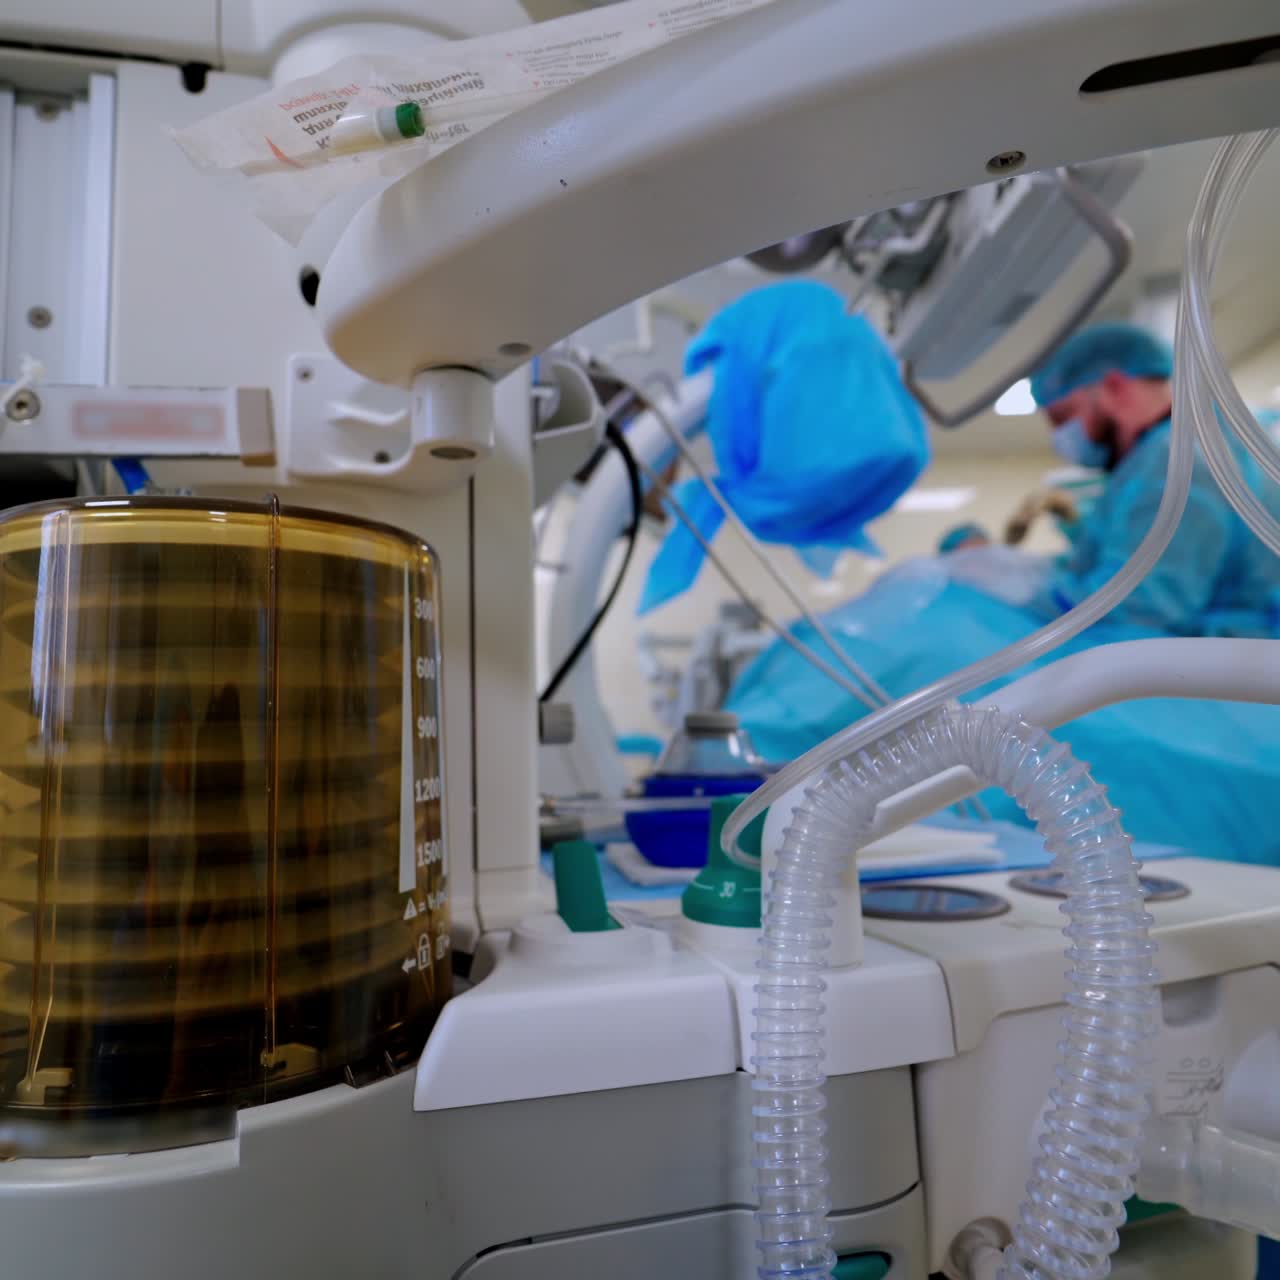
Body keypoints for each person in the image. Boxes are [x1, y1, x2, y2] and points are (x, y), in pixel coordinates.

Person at [1028, 321, 1280, 636]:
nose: (1059, 436)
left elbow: (1137, 609)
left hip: (1234, 670)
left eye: (1063, 417)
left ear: (1115, 388)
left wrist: (1025, 590)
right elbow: (1120, 562)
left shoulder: (1176, 458)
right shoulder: (1162, 453)